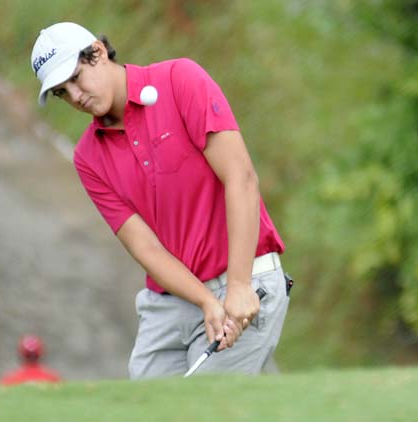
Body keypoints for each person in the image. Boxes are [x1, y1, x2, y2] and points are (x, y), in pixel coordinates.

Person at [30, 22, 290, 379]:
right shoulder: (88, 156)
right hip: (168, 305)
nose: (76, 96)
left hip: (242, 278)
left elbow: (241, 179)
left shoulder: (179, 80)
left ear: (99, 53)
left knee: (202, 410)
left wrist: (239, 287)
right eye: (62, 92)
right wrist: (204, 301)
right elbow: (146, 247)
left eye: (76, 78)